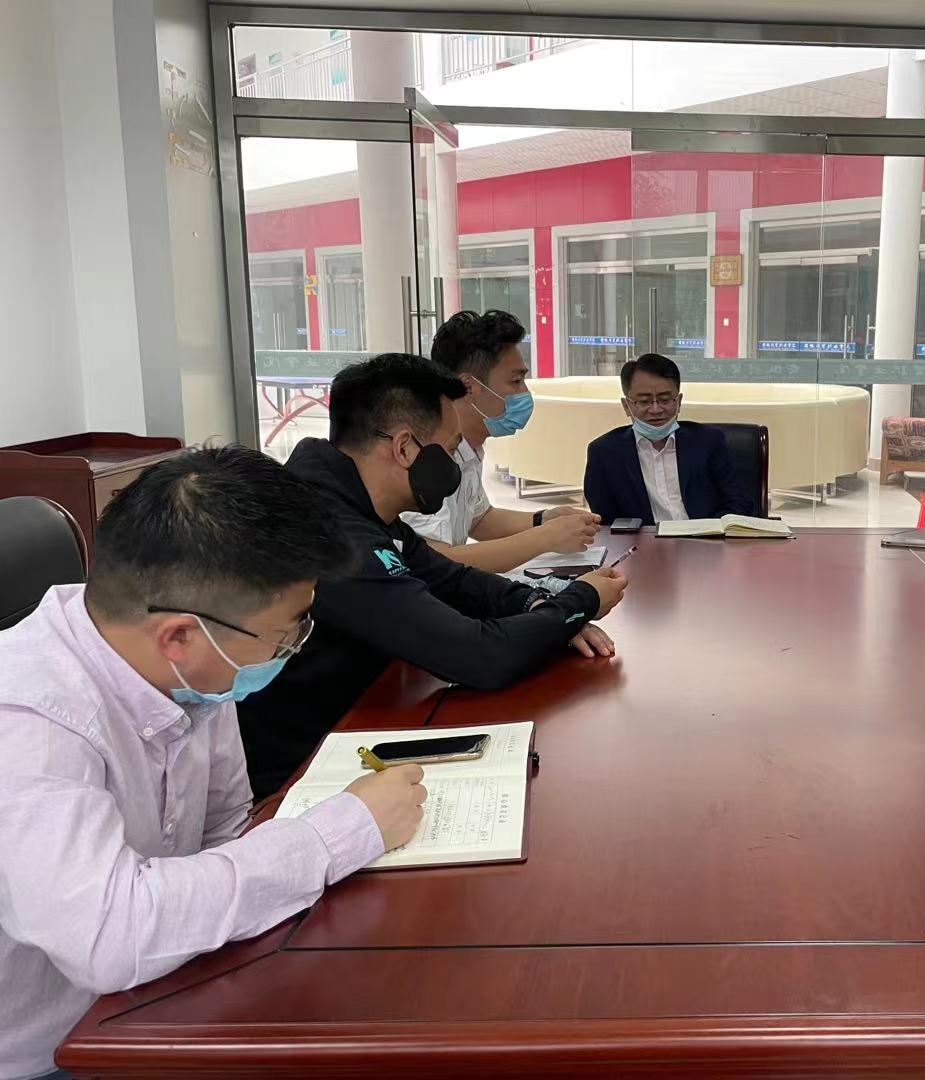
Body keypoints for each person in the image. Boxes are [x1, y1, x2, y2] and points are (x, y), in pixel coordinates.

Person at [0, 448, 429, 1080]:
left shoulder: (193, 674)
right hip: (58, 1051)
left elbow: (227, 828)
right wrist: (336, 835)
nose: (291, 649)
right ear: (179, 635)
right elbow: (109, 938)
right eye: (285, 635)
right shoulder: (28, 719)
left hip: (164, 991)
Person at [238, 354, 628, 799]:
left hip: (361, 722)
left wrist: (538, 603)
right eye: (451, 447)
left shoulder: (356, 504)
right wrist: (579, 602)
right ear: (405, 448)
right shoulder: (332, 533)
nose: (457, 463)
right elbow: (480, 656)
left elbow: (451, 579)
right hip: (299, 776)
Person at [402, 309, 601, 572]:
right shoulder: (428, 455)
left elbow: (480, 519)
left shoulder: (469, 447)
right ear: (469, 387)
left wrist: (544, 520)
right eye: (515, 381)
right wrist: (544, 538)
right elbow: (436, 561)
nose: (524, 392)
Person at [584, 352, 753, 526]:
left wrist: (709, 531)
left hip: (705, 537)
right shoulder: (604, 453)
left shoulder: (709, 441)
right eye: (644, 401)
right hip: (643, 540)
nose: (656, 409)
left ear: (678, 402)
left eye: (665, 400)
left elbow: (738, 502)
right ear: (626, 406)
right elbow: (606, 522)